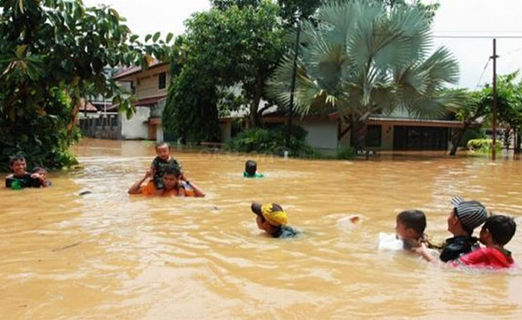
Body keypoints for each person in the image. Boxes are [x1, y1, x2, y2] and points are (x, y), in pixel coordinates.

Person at [128, 165, 204, 197]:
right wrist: (145, 177)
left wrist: (186, 180)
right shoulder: (154, 187)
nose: (167, 182)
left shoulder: (181, 189)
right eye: (165, 178)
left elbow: (202, 195)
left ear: (177, 179)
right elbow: (131, 192)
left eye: (171, 179)